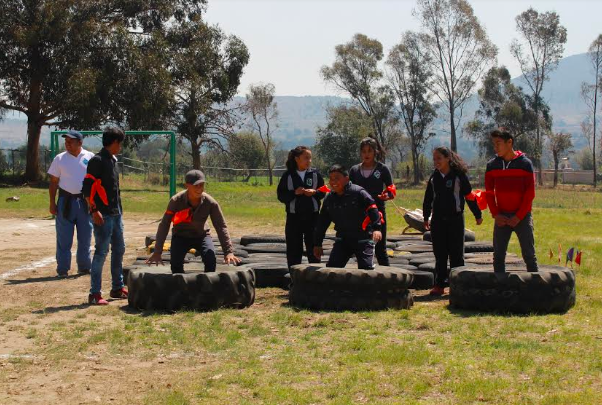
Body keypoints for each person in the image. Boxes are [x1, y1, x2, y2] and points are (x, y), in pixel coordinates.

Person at [146, 170, 241, 272]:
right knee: (175, 263)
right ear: (187, 185)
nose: (199, 189)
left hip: (201, 236)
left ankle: (207, 285)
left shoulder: (210, 202)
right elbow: (164, 225)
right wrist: (157, 252)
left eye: (202, 185)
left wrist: (228, 252)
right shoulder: (176, 201)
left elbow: (221, 226)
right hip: (180, 237)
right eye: (196, 186)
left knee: (210, 259)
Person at [423, 146, 483, 296]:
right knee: (440, 253)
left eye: (439, 158)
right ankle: (439, 284)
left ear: (448, 158)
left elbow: (469, 196)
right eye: (434, 159)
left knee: (456, 254)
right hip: (437, 221)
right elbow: (428, 199)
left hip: (455, 220)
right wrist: (426, 217)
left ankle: (457, 284)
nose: (436, 162)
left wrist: (477, 214)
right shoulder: (434, 178)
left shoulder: (458, 176)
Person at [82, 127, 127, 305]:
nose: (120, 147)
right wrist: (94, 210)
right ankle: (95, 293)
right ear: (114, 142)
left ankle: (117, 287)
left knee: (119, 248)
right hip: (103, 215)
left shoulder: (113, 161)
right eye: (120, 143)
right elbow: (87, 188)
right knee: (101, 252)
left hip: (116, 214)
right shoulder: (97, 161)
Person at [486, 128, 538, 273]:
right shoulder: (492, 165)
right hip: (501, 216)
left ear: (510, 142)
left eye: (498, 143)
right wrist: (496, 214)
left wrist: (519, 216)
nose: (495, 147)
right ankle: (498, 289)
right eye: (493, 144)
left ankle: (536, 288)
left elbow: (530, 193)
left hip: (522, 216)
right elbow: (489, 193)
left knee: (529, 255)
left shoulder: (525, 164)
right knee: (498, 256)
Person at [313, 164, 383, 270]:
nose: (333, 182)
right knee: (332, 268)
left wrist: (377, 229)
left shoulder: (359, 193)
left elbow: (373, 210)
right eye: (331, 179)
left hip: (363, 238)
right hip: (343, 238)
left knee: (366, 269)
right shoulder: (329, 199)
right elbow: (322, 222)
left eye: (337, 178)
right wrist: (317, 243)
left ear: (346, 179)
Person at [47, 130, 95, 278]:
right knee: (64, 238)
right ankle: (62, 269)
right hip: (65, 202)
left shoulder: (90, 157)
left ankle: (85, 267)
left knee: (85, 236)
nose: (67, 144)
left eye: (70, 141)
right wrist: (52, 203)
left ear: (80, 143)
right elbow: (54, 182)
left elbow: (95, 182)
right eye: (66, 141)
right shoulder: (60, 159)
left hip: (85, 202)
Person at [349, 137, 396, 266]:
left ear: (375, 152)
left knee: (380, 249)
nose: (366, 154)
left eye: (369, 151)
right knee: (360, 247)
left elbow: (391, 189)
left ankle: (388, 282)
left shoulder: (382, 169)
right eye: (363, 151)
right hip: (359, 214)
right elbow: (349, 190)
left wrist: (388, 195)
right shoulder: (354, 170)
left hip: (378, 213)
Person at [277, 146, 326, 268]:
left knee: (314, 247)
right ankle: (294, 279)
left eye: (310, 158)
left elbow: (324, 191)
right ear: (297, 159)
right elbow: (281, 195)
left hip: (313, 217)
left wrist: (314, 192)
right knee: (294, 249)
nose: (309, 161)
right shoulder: (288, 176)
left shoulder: (315, 175)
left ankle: (315, 280)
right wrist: (294, 193)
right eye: (306, 158)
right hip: (294, 218)